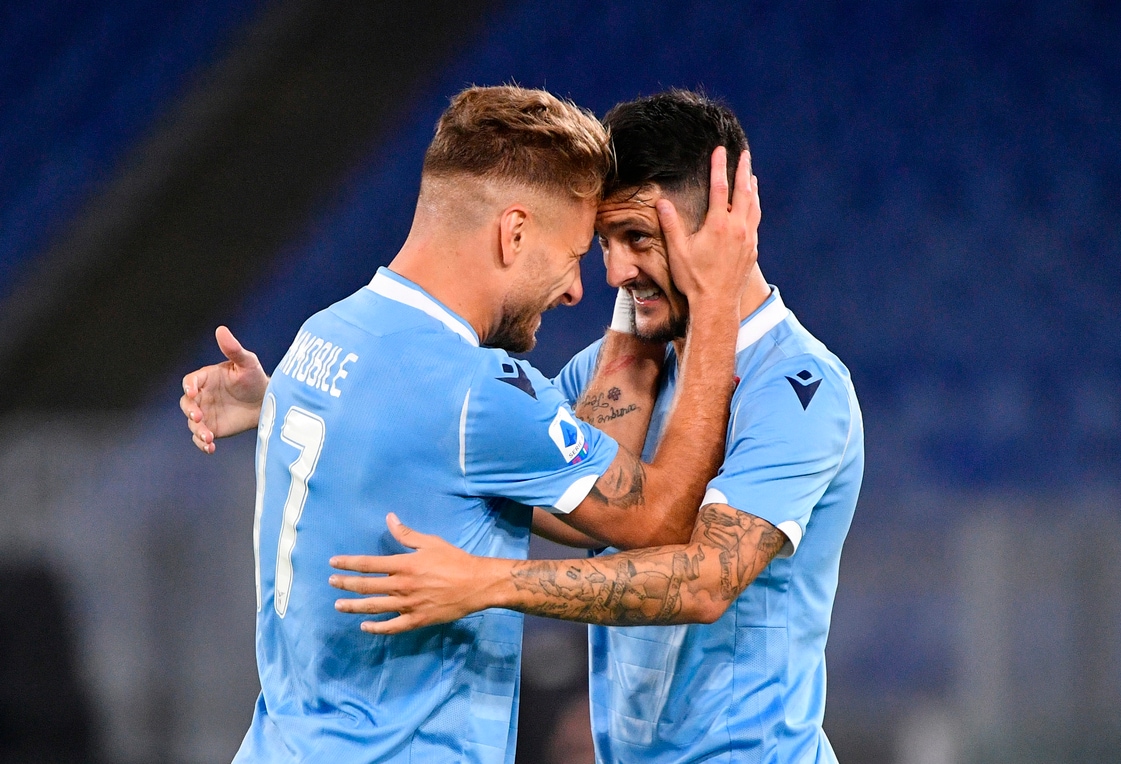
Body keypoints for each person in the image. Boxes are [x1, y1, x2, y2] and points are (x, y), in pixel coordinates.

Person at [178, 84, 761, 763]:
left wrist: (273, 399)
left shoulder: (327, 334)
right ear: (514, 234)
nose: (578, 288)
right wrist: (714, 299)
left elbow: (581, 516)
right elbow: (657, 517)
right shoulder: (474, 392)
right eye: (574, 254)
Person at [328, 91, 864, 763]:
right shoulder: (610, 367)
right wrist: (309, 400)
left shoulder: (798, 389)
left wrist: (486, 582)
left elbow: (706, 582)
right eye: (604, 244)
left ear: (718, 233)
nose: (614, 272)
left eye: (637, 238)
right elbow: (526, 485)